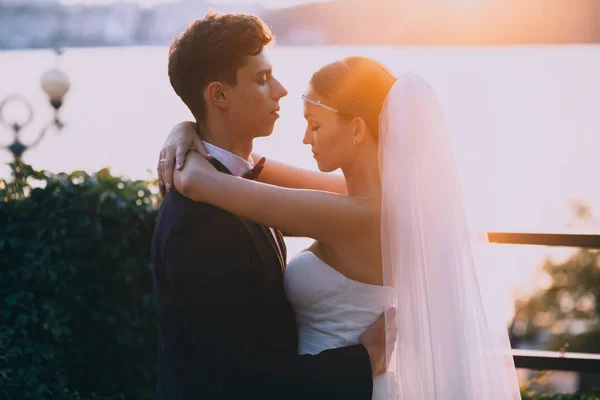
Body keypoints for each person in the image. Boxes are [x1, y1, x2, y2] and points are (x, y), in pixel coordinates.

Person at [159, 53, 523, 398]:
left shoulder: (358, 216)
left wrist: (186, 149)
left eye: (315, 125)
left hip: (340, 387)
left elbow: (201, 182)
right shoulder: (375, 199)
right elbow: (252, 166)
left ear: (357, 130)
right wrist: (186, 127)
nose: (305, 138)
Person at [151, 12, 394, 400]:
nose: (280, 90)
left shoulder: (221, 186)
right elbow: (235, 380)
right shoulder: (200, 220)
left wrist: (187, 133)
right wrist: (363, 360)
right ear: (219, 95)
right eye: (262, 79)